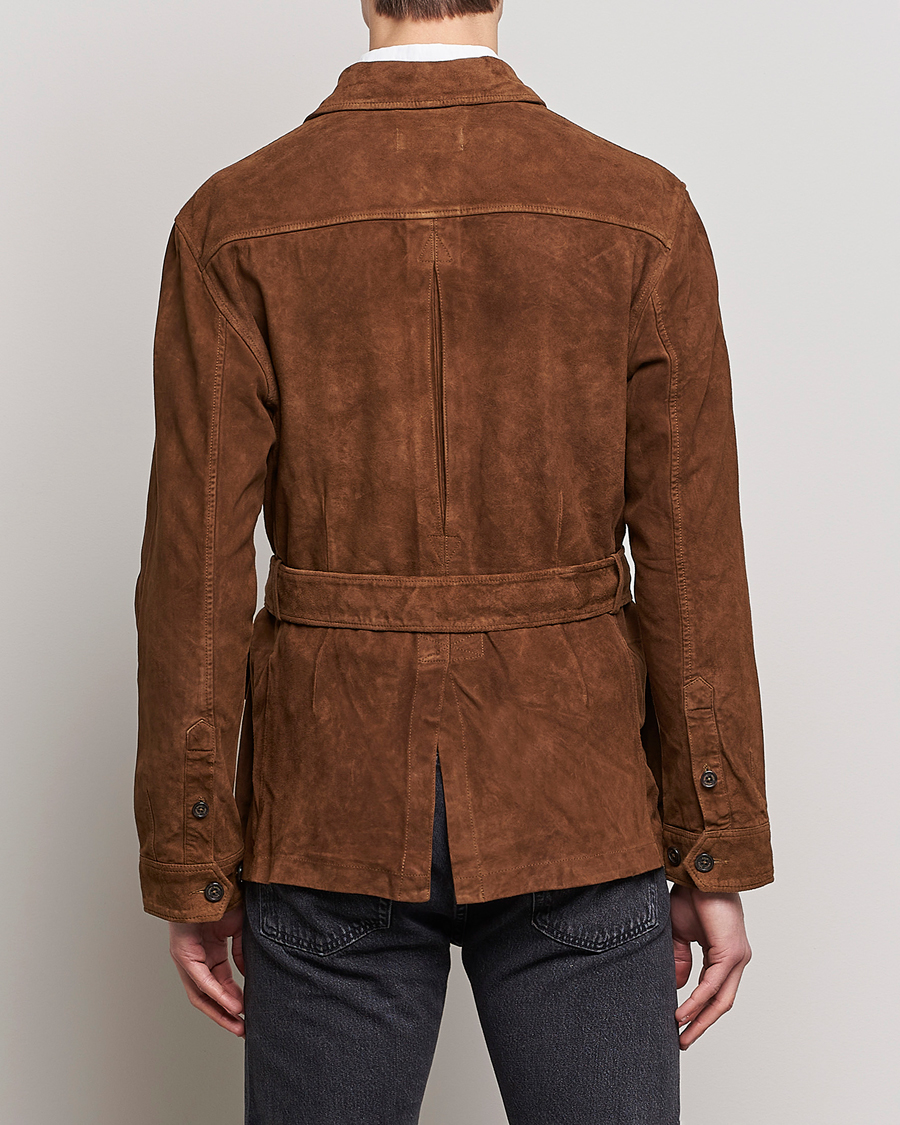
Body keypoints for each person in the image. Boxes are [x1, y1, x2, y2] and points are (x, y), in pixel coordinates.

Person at [133, 1, 775, 1121]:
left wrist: (195, 849)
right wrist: (711, 844)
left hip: (329, 798)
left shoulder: (233, 220)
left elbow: (195, 576)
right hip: (574, 791)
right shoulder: (640, 211)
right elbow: (691, 559)